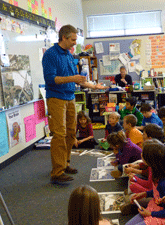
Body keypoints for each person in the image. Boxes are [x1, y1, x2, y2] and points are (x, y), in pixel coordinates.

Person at [42, 24, 108, 184]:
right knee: (59, 134)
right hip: (56, 98)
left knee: (71, 132)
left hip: (70, 97)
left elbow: (78, 79)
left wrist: (94, 86)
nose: (74, 43)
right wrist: (72, 79)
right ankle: (57, 173)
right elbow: (50, 79)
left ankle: (66, 164)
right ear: (63, 37)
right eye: (72, 39)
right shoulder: (50, 54)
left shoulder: (69, 55)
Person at [125, 139, 165, 225]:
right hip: (155, 209)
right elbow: (157, 192)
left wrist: (150, 214)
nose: (141, 155)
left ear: (152, 160)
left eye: (144, 155)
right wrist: (145, 194)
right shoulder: (157, 172)